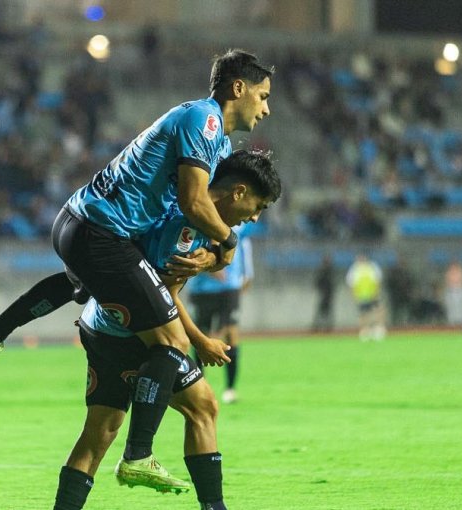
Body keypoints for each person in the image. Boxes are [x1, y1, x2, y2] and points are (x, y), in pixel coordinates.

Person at [0, 150, 281, 508]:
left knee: (99, 432)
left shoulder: (176, 207)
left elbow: (80, 284)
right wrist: (201, 340)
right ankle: (147, 461)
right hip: (132, 330)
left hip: (101, 324)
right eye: (259, 205)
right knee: (203, 406)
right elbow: (160, 298)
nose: (254, 216)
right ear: (238, 192)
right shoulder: (185, 224)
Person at [50, 49, 275, 490]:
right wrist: (227, 244)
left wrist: (212, 252)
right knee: (171, 342)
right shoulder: (204, 121)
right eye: (263, 96)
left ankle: (148, 463)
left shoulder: (218, 146)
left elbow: (193, 210)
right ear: (238, 89)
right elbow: (194, 204)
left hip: (99, 240)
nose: (266, 108)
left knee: (188, 409)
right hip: (99, 231)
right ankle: (139, 455)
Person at [186, 223, 254, 404]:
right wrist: (209, 267)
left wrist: (248, 275)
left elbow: (245, 247)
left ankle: (230, 389)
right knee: (201, 336)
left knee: (231, 333)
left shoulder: (239, 227)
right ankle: (199, 386)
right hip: (201, 289)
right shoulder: (199, 220)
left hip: (229, 288)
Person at [345, 254, 386, 341]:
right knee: (363, 313)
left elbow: (377, 280)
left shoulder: (372, 267)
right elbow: (351, 283)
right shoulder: (354, 269)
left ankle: (378, 329)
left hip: (373, 294)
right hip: (361, 295)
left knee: (377, 310)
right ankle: (364, 331)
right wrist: (354, 295)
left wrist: (376, 292)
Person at [311, 254, 335, 332]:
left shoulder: (329, 270)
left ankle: (323, 327)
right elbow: (319, 281)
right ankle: (318, 327)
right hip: (324, 293)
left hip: (327, 294)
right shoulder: (324, 270)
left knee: (325, 311)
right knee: (322, 311)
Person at [443, 259, 462, 326]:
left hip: (460, 292)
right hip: (450, 292)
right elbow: (447, 281)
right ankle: (452, 326)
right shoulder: (448, 272)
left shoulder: (460, 271)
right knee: (451, 312)